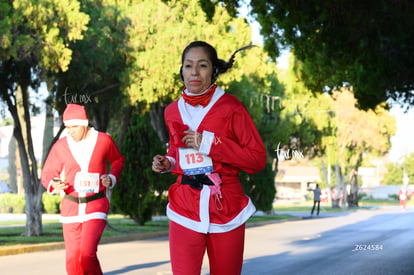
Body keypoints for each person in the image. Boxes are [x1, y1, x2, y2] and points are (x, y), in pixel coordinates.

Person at [152, 41, 266, 275]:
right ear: (181, 71)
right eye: (188, 65)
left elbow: (257, 160)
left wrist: (210, 143)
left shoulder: (232, 108)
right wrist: (168, 162)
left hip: (226, 207)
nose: (194, 72)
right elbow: (177, 151)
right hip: (184, 206)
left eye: (202, 65)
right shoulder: (171, 111)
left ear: (213, 70)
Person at [41, 103, 125, 275]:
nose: (70, 131)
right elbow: (48, 172)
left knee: (87, 254)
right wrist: (54, 182)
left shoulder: (103, 140)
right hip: (70, 208)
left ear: (84, 124)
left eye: (74, 126)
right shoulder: (61, 145)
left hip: (96, 206)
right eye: (67, 127)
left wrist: (112, 177)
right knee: (73, 259)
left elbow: (118, 160)